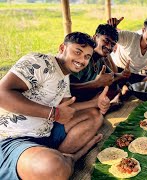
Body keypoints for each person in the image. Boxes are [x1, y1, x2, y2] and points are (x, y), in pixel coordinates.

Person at [0, 32, 110, 179]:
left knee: (95, 116)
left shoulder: (64, 76)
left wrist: (95, 103)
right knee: (53, 168)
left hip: (46, 132)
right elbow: (2, 93)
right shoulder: (39, 62)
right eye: (78, 52)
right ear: (62, 47)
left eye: (87, 57)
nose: (82, 60)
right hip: (15, 138)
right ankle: (73, 157)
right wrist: (53, 113)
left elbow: (67, 108)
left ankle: (55, 157)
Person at [70, 24, 130, 108]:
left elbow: (111, 76)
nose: (109, 47)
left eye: (112, 44)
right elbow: (67, 88)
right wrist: (95, 84)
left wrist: (122, 75)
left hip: (90, 95)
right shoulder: (82, 59)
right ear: (95, 38)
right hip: (74, 101)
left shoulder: (100, 59)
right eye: (106, 41)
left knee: (114, 87)